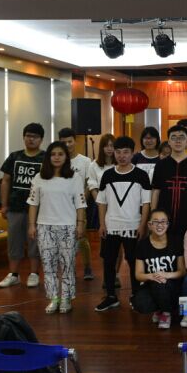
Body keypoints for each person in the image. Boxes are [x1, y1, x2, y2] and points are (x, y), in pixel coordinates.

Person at [27, 141, 87, 314]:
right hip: (44, 227)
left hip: (68, 227)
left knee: (67, 265)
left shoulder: (74, 178)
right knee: (48, 265)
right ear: (48, 157)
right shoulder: (39, 177)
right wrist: (32, 225)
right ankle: (54, 298)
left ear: (66, 157)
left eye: (61, 154)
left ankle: (66, 299)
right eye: (53, 154)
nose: (57, 157)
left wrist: (80, 224)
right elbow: (33, 203)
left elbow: (80, 204)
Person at [94, 136, 151, 312]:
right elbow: (102, 202)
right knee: (109, 261)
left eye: (126, 152)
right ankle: (111, 296)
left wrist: (142, 225)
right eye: (118, 152)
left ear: (132, 153)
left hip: (133, 226)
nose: (121, 156)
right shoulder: (107, 175)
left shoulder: (141, 175)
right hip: (111, 226)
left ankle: (135, 295)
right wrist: (102, 224)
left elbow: (146, 203)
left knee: (133, 261)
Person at [0, 122, 46, 289]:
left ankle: (34, 274)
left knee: (35, 242)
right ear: (24, 137)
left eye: (35, 137)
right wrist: (4, 205)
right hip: (15, 207)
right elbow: (5, 181)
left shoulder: (46, 158)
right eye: (28, 136)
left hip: (39, 210)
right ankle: (14, 275)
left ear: (41, 139)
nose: (31, 139)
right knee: (14, 241)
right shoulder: (14, 156)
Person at [151, 124, 187, 243]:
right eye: (174, 137)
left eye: (181, 137)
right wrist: (153, 216)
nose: (178, 141)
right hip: (163, 218)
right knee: (164, 247)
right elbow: (156, 191)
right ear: (169, 142)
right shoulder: (161, 165)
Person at [134, 209, 186, 330]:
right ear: (149, 225)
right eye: (156, 222)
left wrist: (166, 275)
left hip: (172, 285)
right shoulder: (142, 245)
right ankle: (160, 309)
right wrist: (152, 276)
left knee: (161, 284)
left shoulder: (176, 242)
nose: (160, 225)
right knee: (140, 303)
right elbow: (138, 274)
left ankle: (166, 313)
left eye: (163, 222)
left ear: (168, 224)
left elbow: (182, 271)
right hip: (151, 284)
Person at [59, 127, 94, 280]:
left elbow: (88, 183)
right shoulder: (57, 160)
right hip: (60, 207)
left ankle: (87, 267)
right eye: (64, 142)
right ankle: (68, 268)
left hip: (79, 207)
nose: (67, 145)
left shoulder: (85, 161)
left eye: (70, 141)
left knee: (81, 237)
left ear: (75, 141)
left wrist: (81, 202)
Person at [87, 134, 119, 290]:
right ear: (102, 147)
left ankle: (116, 275)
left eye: (112, 145)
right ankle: (108, 275)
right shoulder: (94, 165)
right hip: (102, 208)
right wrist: (100, 202)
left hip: (120, 208)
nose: (109, 149)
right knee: (106, 245)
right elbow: (92, 185)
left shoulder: (120, 164)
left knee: (119, 244)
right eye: (107, 145)